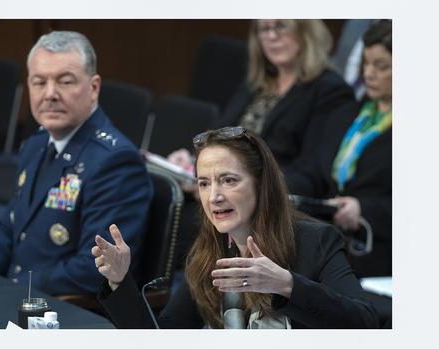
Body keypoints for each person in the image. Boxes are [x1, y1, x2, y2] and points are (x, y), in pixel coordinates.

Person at [93, 126, 379, 329]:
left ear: (261, 184)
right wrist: (120, 282)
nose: (214, 196)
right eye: (204, 183)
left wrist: (287, 285)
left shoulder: (316, 241)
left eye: (229, 180)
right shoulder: (208, 252)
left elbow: (364, 323)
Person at [169, 19, 357, 273]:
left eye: (280, 27)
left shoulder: (331, 91)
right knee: (164, 196)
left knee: (183, 219)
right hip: (226, 191)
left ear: (305, 31)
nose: (270, 36)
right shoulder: (256, 83)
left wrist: (244, 184)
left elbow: (313, 175)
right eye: (263, 29)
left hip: (270, 205)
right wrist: (192, 162)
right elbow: (218, 136)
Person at [0, 31, 153, 296]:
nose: (50, 94)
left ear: (94, 88)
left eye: (65, 81)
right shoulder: (36, 144)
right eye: (39, 82)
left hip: (61, 309)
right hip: (21, 294)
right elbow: (10, 224)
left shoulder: (114, 161)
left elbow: (94, 270)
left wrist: (13, 288)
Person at [286, 20, 392, 277]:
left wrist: (363, 210)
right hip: (327, 234)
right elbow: (313, 174)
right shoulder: (346, 114)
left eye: (382, 66)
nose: (368, 73)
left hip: (378, 247)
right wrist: (274, 186)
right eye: (366, 63)